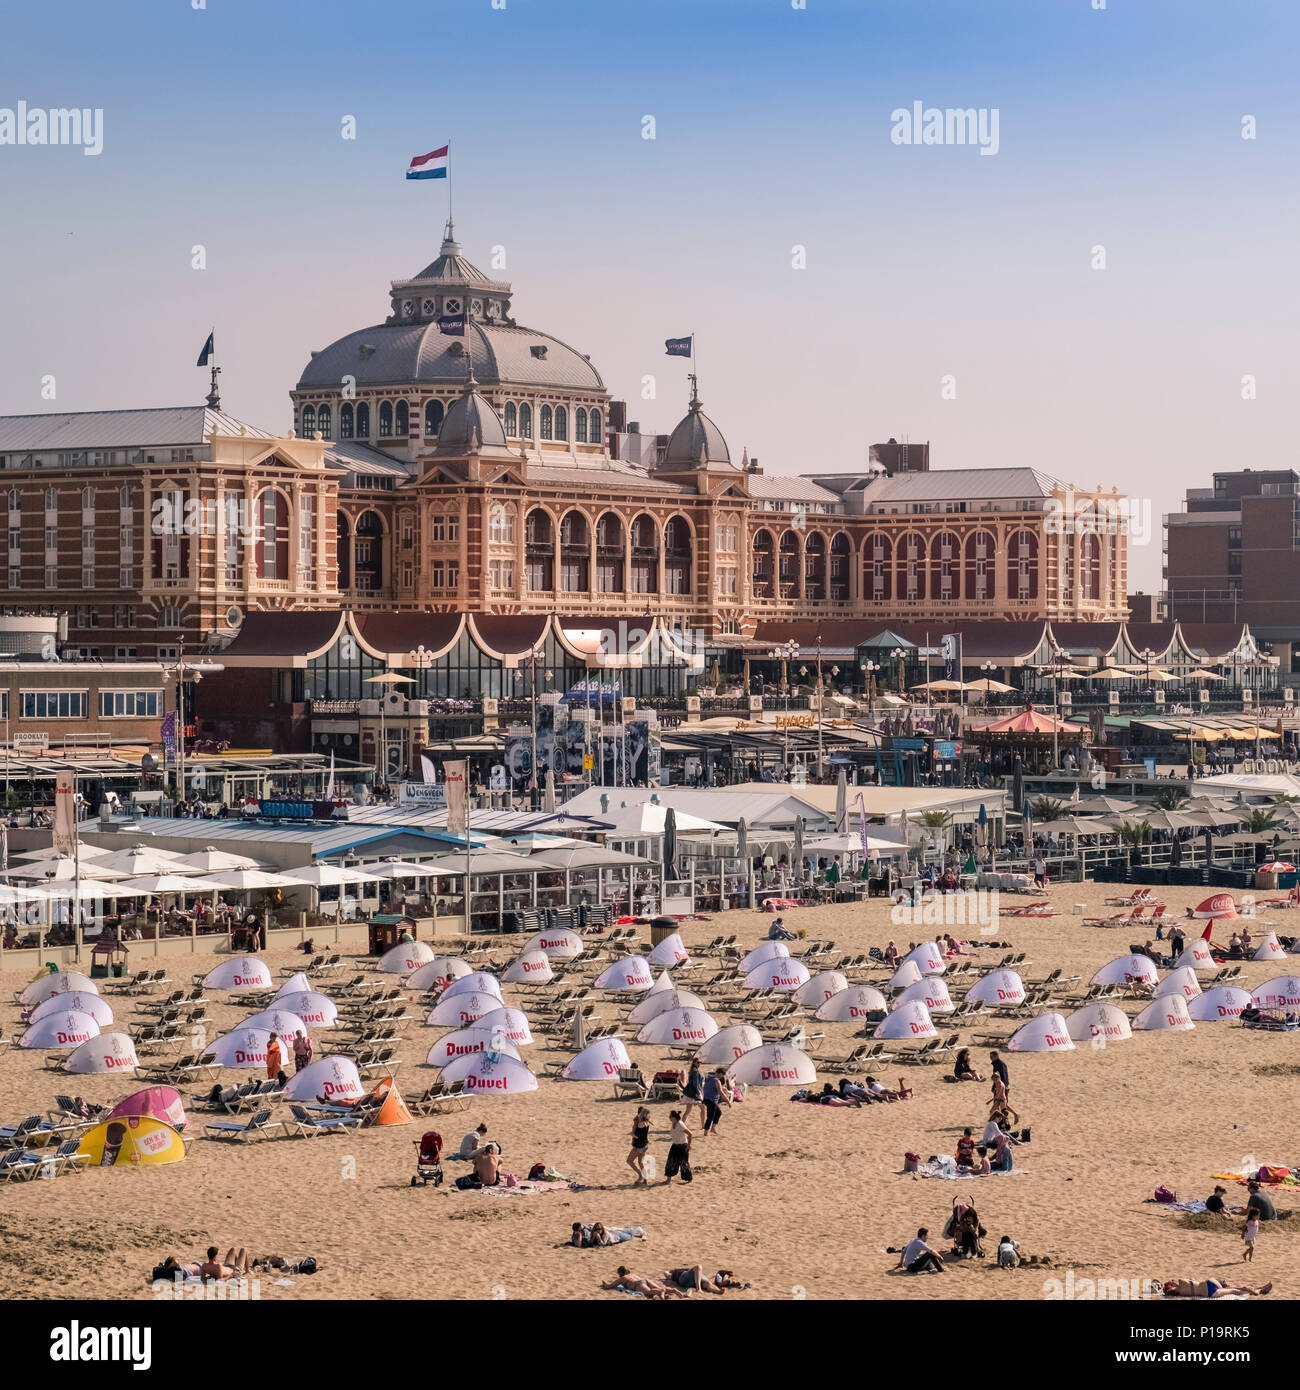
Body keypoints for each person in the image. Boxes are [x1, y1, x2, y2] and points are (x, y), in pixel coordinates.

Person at [599, 1268, 683, 1300]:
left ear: (620, 1273)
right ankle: (673, 1290)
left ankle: (660, 1292)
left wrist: (605, 1285)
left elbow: (611, 1286)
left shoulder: (623, 1278)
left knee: (649, 1291)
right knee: (658, 1288)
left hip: (637, 1284)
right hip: (644, 1279)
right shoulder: (632, 1274)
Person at [1162, 1277, 1272, 1299]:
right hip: (1209, 1284)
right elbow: (1179, 1281)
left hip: (1210, 1291)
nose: (1173, 1281)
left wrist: (1169, 1288)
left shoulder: (1181, 1293)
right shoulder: (1181, 1283)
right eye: (1171, 1283)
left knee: (1235, 1289)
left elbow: (1169, 1292)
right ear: (1171, 1287)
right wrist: (1171, 1284)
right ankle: (1258, 1290)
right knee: (1234, 1289)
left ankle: (1258, 1289)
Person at [663, 1109, 693, 1184]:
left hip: (682, 1146)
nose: (669, 1118)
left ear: (674, 1117)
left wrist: (689, 1145)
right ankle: (668, 1179)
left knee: (684, 1163)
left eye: (670, 1117)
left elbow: (690, 1134)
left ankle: (689, 1179)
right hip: (674, 1146)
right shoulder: (673, 1123)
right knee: (670, 1162)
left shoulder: (680, 1124)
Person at [701, 1068, 729, 1135]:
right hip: (712, 1100)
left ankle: (712, 1128)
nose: (722, 1077)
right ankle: (706, 1131)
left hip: (706, 1099)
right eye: (722, 1075)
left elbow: (704, 1088)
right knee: (710, 1116)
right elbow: (720, 1092)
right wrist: (728, 1101)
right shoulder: (716, 1081)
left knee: (718, 1113)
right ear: (720, 1074)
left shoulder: (708, 1078)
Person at [627, 1106, 651, 1185]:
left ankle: (640, 1175)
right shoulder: (647, 1122)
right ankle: (645, 1178)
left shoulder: (641, 1124)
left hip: (638, 1146)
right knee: (640, 1163)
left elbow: (637, 1136)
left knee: (629, 1161)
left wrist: (631, 1134)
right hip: (644, 1145)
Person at [681, 1060, 705, 1125]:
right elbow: (696, 1084)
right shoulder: (695, 1072)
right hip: (695, 1093)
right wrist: (699, 1093)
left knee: (687, 1111)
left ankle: (681, 1125)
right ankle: (703, 1126)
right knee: (703, 1108)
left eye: (700, 1062)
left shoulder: (691, 1071)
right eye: (698, 1062)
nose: (699, 1064)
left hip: (689, 1093)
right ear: (694, 1063)